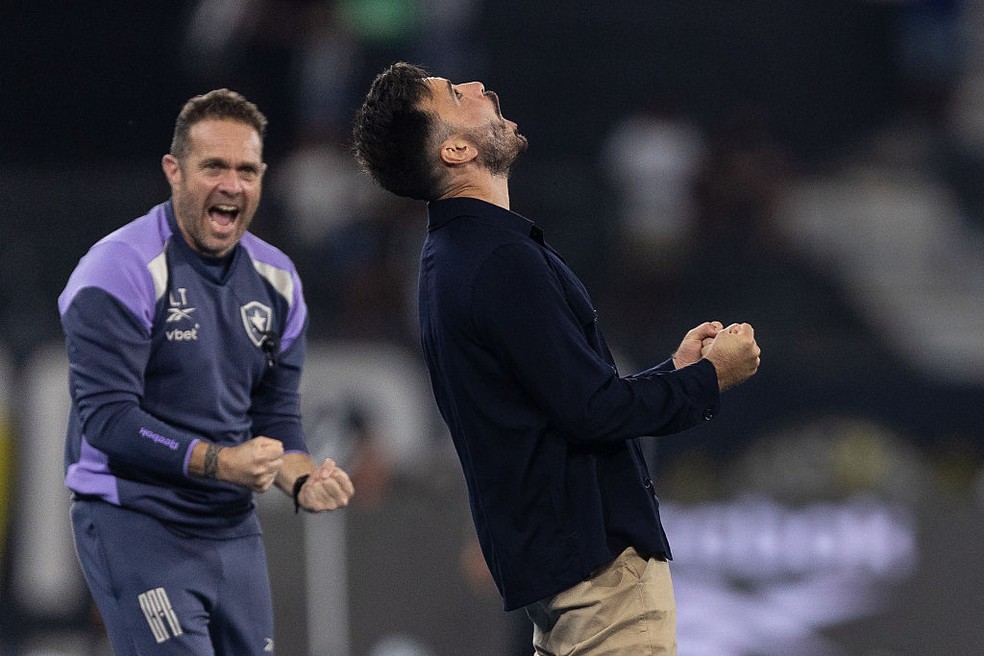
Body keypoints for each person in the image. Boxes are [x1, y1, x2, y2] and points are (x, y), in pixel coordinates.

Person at [352, 62, 761, 655]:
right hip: (601, 588)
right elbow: (593, 411)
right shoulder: (496, 261)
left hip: (568, 586)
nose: (477, 87)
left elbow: (569, 402)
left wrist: (675, 371)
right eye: (453, 93)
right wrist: (708, 381)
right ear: (458, 148)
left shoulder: (456, 257)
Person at [59, 88, 354, 655]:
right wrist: (220, 462)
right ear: (174, 171)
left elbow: (276, 415)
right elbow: (109, 420)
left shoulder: (280, 281)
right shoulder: (116, 270)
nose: (232, 185)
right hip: (134, 519)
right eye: (213, 167)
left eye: (247, 170)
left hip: (230, 527)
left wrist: (301, 480)